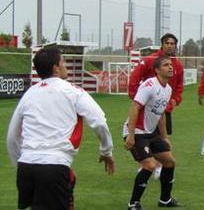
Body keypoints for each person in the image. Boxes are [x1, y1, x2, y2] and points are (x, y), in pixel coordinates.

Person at [7, 48, 115, 209]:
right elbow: (99, 121)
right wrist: (106, 151)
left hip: (26, 167)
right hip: (53, 167)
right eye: (63, 61)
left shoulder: (29, 94)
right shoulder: (73, 91)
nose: (66, 66)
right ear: (55, 67)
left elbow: (12, 136)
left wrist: (23, 164)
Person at [124, 56, 181, 209]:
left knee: (169, 162)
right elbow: (134, 107)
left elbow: (160, 114)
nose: (170, 67)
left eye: (171, 64)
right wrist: (130, 135)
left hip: (151, 133)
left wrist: (164, 137)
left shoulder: (168, 89)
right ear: (156, 70)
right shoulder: (149, 85)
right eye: (165, 65)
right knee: (150, 165)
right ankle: (133, 203)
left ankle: (165, 200)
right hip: (136, 131)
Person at [129, 33, 185, 135]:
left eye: (172, 43)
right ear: (162, 45)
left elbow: (179, 86)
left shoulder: (178, 65)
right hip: (147, 108)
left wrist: (175, 100)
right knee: (144, 135)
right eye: (167, 43)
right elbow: (134, 77)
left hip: (164, 108)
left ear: (175, 46)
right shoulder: (150, 59)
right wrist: (137, 97)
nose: (169, 45)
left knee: (162, 141)